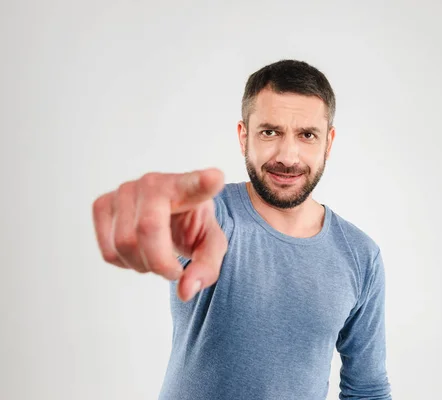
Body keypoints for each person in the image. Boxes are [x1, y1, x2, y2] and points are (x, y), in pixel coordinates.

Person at [92, 59, 392, 399]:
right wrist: (155, 216)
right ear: (243, 136)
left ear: (328, 142)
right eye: (270, 132)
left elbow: (367, 389)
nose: (288, 156)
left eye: (307, 135)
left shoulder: (360, 256)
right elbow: (181, 222)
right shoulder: (213, 214)